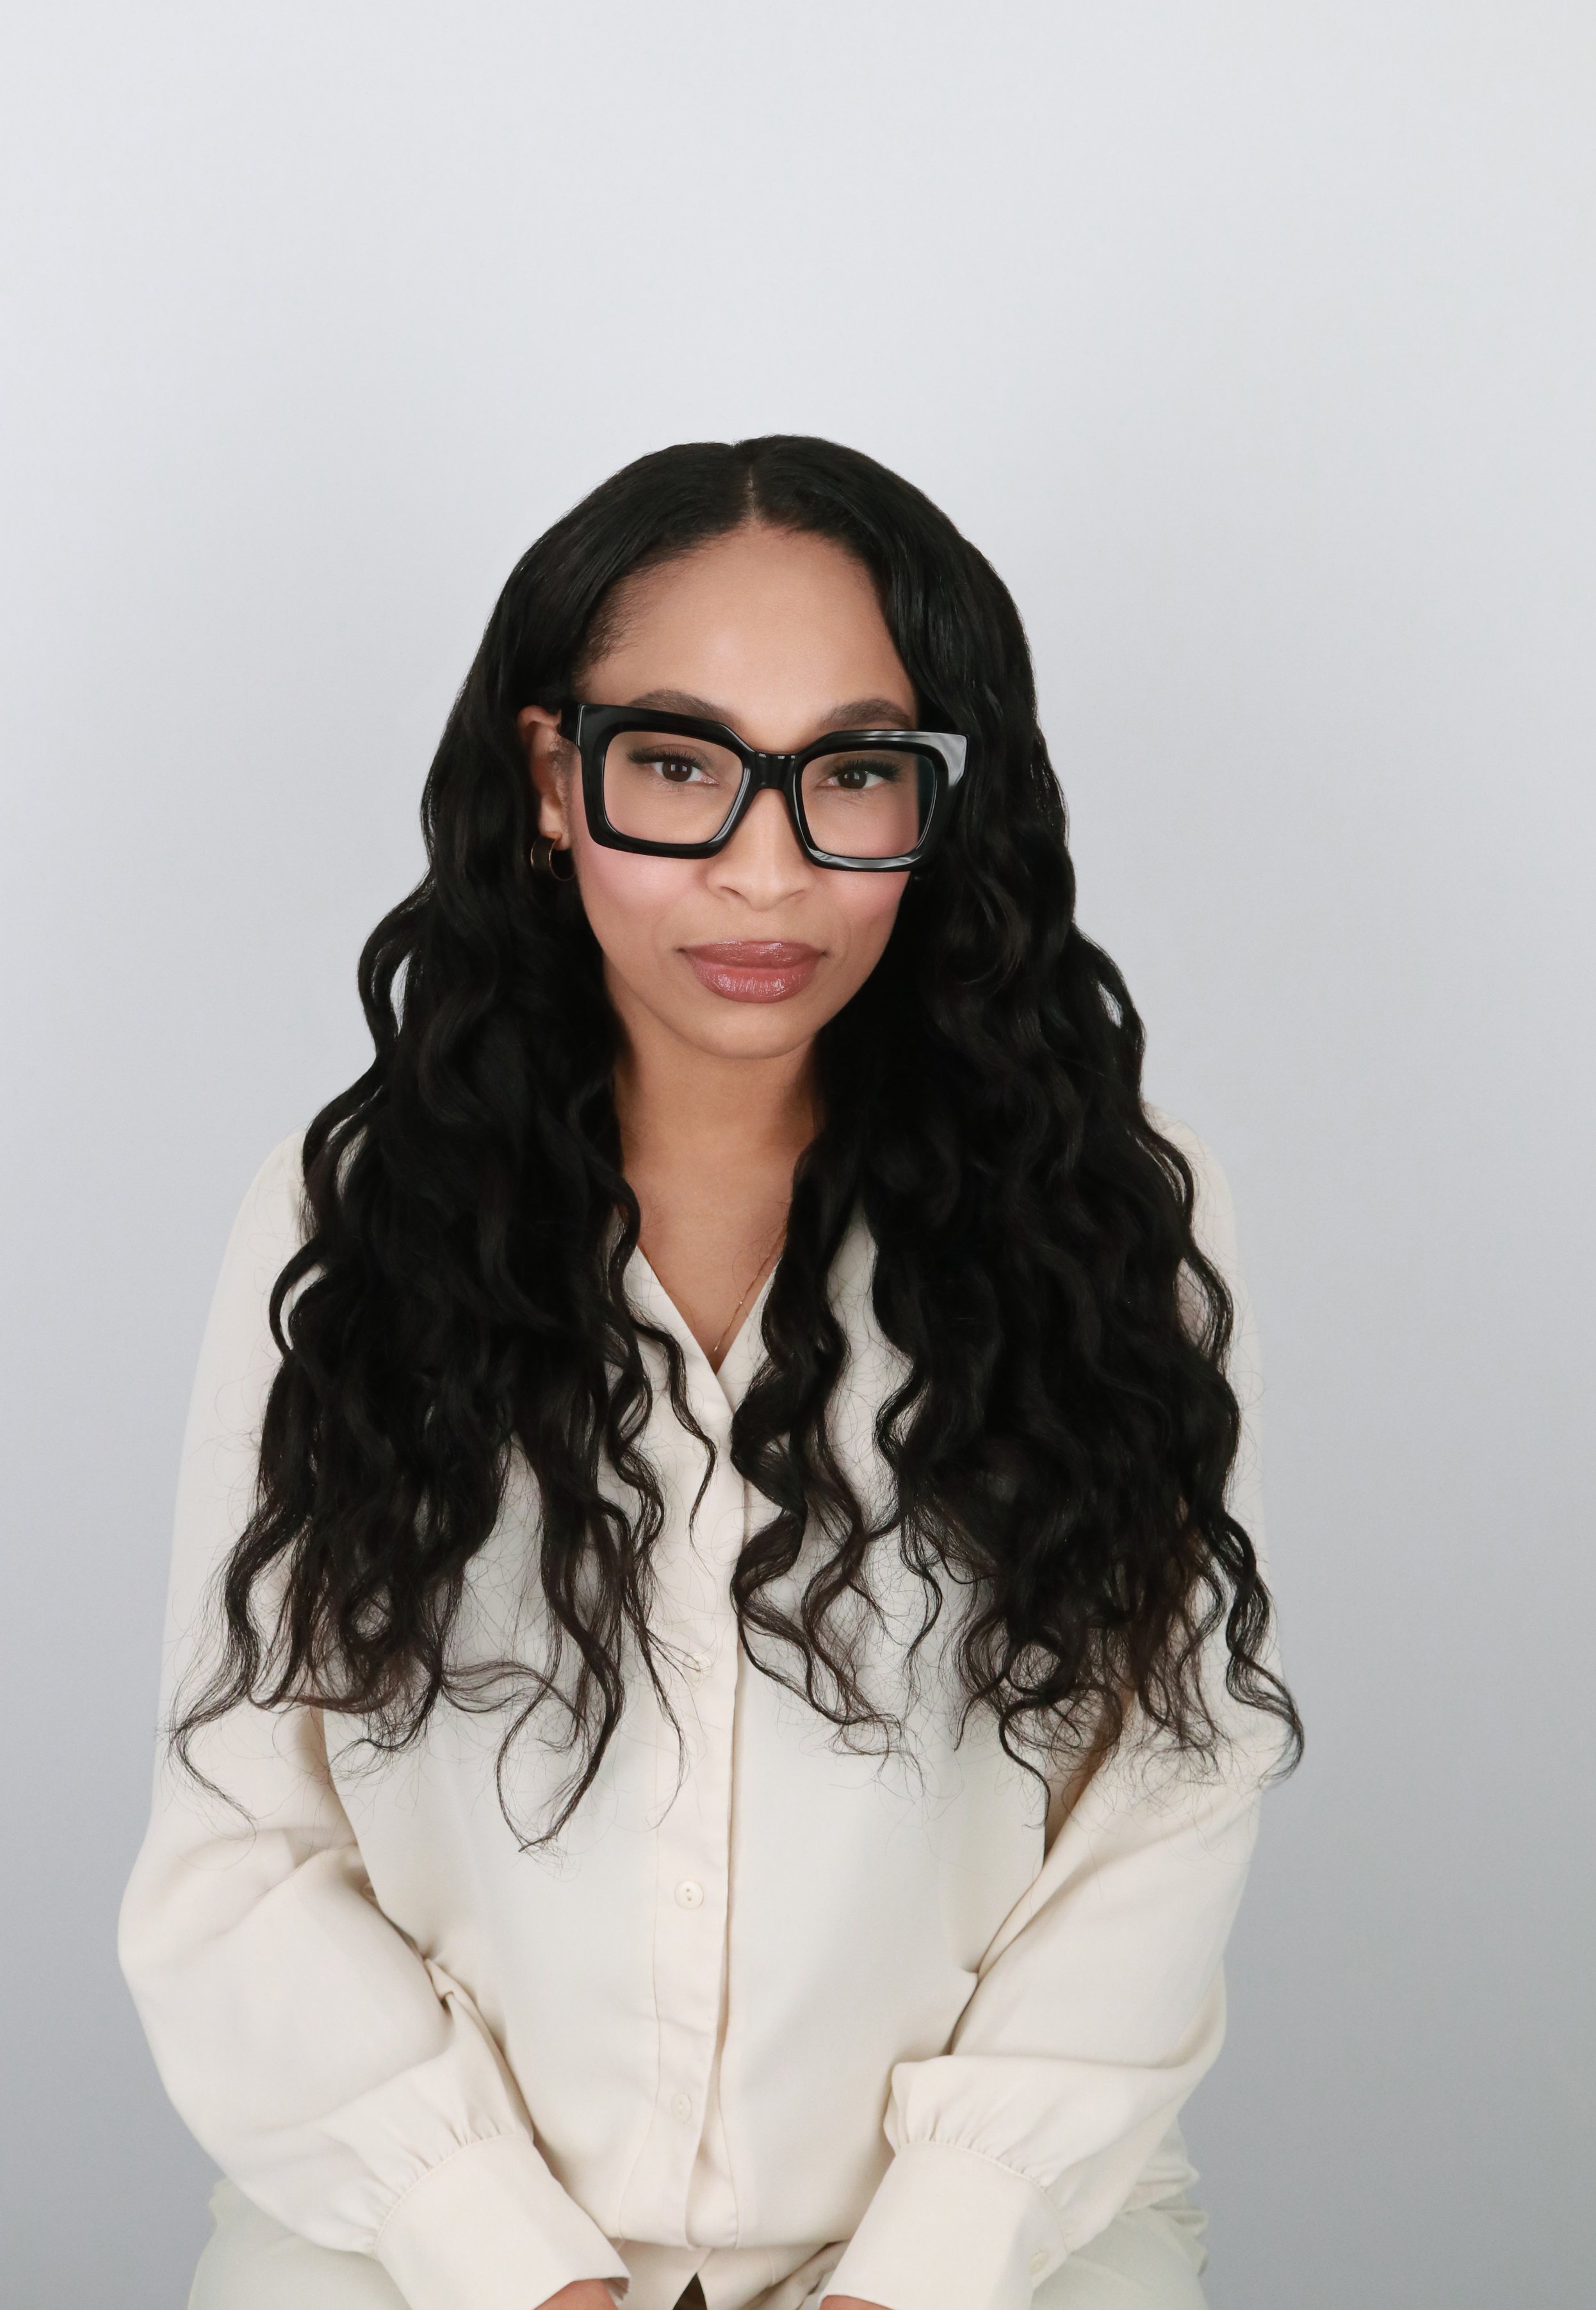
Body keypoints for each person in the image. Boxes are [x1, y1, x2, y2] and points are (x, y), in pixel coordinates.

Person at [118, 435, 1300, 2310]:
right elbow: (243, 1839)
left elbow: (1163, 1796)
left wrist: (920, 2266)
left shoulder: (1117, 1225)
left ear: (938, 805)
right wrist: (514, 2263)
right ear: (549, 782)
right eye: (678, 765)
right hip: (421, 2242)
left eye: (850, 772)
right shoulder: (337, 1221)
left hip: (991, 2242)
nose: (767, 875)